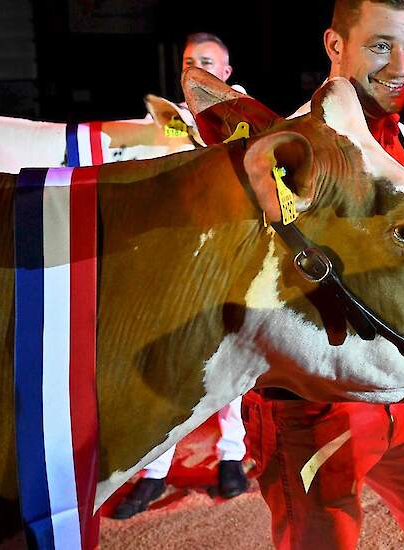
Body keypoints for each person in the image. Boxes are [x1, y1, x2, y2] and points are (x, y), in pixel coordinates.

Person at [242, 2, 404, 548]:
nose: (403, 65)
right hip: (311, 410)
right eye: (381, 45)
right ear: (335, 46)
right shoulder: (289, 152)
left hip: (397, 392)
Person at [110, 32, 250, 520]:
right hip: (171, 263)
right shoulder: (163, 119)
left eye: (208, 63)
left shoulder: (245, 118)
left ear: (227, 73)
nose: (198, 70)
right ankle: (154, 470)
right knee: (165, 366)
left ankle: (231, 457)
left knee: (231, 362)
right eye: (191, 62)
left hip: (226, 259)